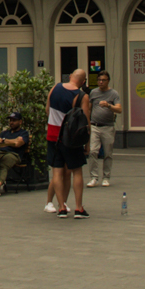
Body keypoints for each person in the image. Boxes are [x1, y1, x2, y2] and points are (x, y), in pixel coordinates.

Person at [45, 69, 90, 217]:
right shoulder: (82, 96)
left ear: (70, 76)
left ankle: (62, 208)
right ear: (83, 82)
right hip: (70, 139)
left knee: (57, 171)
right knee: (76, 170)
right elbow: (84, 122)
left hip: (52, 135)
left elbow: (47, 110)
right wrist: (87, 143)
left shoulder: (55, 88)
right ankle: (78, 208)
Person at [88, 72, 122, 187]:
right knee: (93, 151)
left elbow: (119, 109)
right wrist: (87, 123)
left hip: (108, 126)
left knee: (107, 153)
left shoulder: (113, 93)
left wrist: (108, 105)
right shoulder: (94, 92)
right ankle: (93, 177)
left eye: (103, 80)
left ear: (108, 81)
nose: (101, 82)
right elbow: (89, 108)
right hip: (95, 126)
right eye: (99, 80)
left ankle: (106, 177)